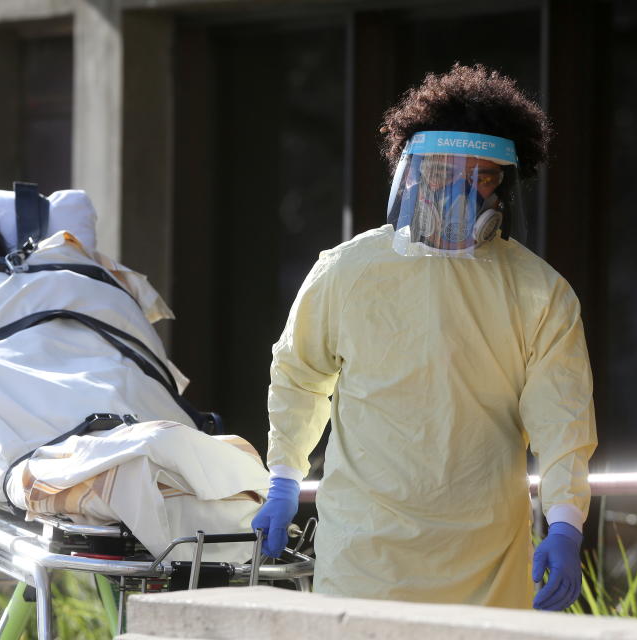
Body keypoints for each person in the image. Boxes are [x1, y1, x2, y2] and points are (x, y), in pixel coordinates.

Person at [252, 64, 597, 611]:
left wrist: (565, 522)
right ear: (410, 173)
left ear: (504, 183)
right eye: (445, 171)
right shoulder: (348, 270)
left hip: (486, 556)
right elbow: (299, 376)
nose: (466, 189)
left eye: (484, 176)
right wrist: (284, 478)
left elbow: (564, 422)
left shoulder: (540, 292)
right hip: (365, 552)